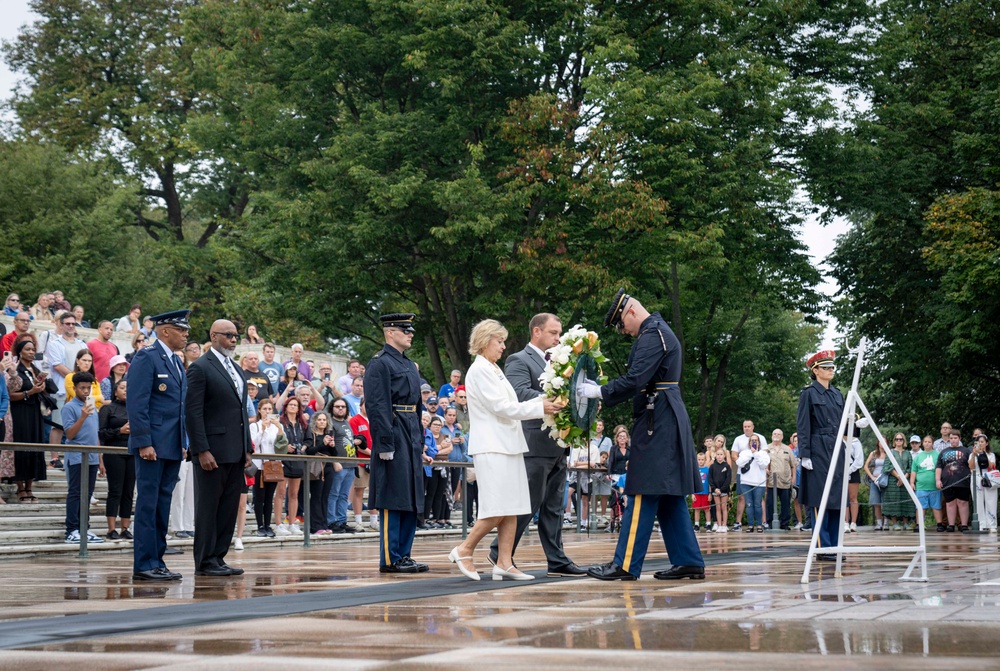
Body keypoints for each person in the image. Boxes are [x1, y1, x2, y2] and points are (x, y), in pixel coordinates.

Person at [581, 290, 706, 581]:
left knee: (642, 489)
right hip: (663, 414)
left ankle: (624, 564)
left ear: (631, 312)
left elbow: (637, 378)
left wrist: (600, 391)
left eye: (622, 325)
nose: (623, 331)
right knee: (668, 494)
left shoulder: (653, 334)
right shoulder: (657, 332)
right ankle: (688, 559)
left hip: (658, 418)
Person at [447, 319, 563, 581]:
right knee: (497, 507)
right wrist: (540, 407)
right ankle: (464, 549)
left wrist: (546, 400)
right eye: (499, 341)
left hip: (508, 444)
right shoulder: (479, 370)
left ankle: (504, 562)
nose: (503, 346)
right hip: (492, 445)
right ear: (486, 340)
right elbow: (502, 407)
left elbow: (512, 402)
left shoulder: (494, 368)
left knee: (513, 505)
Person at [487, 312, 587, 577]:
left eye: (559, 333)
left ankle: (557, 560)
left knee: (554, 505)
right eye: (553, 333)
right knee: (527, 504)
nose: (558, 338)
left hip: (558, 444)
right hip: (533, 442)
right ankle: (500, 552)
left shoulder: (562, 361)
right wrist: (557, 397)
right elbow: (519, 392)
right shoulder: (519, 359)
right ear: (536, 332)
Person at [185, 319, 253, 576]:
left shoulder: (235, 368)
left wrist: (247, 447)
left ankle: (219, 557)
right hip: (212, 451)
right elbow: (193, 413)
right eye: (229, 335)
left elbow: (242, 412)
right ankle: (205, 561)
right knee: (209, 507)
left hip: (235, 450)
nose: (234, 339)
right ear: (214, 337)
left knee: (227, 507)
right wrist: (201, 449)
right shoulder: (200, 368)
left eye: (236, 335)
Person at [127, 309, 190, 581]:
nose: (186, 335)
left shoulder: (176, 362)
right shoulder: (147, 357)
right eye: (181, 330)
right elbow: (137, 403)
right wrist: (143, 442)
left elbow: (179, 409)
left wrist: (184, 442)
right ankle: (144, 563)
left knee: (162, 504)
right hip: (152, 445)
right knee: (148, 504)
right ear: (165, 331)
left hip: (172, 446)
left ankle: (157, 560)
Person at [366, 313, 430, 574]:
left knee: (410, 496)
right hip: (393, 429)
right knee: (393, 496)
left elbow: (417, 404)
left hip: (411, 430)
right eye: (405, 330)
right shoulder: (379, 364)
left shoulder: (408, 364)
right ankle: (390, 558)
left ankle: (404, 554)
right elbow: (377, 405)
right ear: (390, 332)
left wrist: (420, 441)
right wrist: (384, 444)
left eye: (411, 330)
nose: (410, 334)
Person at [796, 350, 846, 558]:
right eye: (826, 367)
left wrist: (855, 425)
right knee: (820, 498)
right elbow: (803, 425)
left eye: (832, 367)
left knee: (836, 498)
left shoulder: (836, 393)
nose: (830, 371)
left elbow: (844, 420)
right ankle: (822, 546)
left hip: (837, 445)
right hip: (818, 447)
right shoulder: (808, 394)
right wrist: (804, 454)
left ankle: (834, 544)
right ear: (815, 370)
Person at [62, 372, 104, 544]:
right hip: (77, 456)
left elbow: (96, 434)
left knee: (87, 494)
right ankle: (71, 529)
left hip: (92, 457)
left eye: (89, 388)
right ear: (75, 388)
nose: (86, 391)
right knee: (75, 493)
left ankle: (84, 528)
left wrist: (101, 459)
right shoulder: (69, 408)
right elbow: (70, 434)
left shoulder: (93, 407)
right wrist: (83, 416)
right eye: (82, 388)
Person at [8, 337, 47, 503]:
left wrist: (42, 387)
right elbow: (10, 395)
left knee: (35, 446)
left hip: (35, 412)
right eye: (28, 350)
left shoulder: (36, 370)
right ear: (20, 352)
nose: (32, 352)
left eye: (33, 350)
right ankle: (20, 488)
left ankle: (30, 486)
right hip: (20, 413)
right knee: (22, 446)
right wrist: (29, 392)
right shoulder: (15, 369)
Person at [44, 311, 87, 448]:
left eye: (73, 324)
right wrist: (77, 380)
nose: (70, 326)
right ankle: (55, 458)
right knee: (58, 424)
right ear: (61, 325)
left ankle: (78, 453)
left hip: (81, 391)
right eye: (67, 323)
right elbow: (58, 366)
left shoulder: (82, 345)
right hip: (62, 390)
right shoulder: (54, 344)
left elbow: (88, 364)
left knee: (80, 423)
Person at [99, 378, 134, 540]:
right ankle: (111, 529)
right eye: (122, 387)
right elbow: (101, 433)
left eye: (129, 387)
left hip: (132, 452)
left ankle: (125, 528)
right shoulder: (108, 408)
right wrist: (119, 431)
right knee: (115, 490)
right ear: (115, 391)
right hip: (114, 452)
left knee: (128, 491)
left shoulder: (136, 408)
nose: (126, 390)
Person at [249, 398, 287, 537]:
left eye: (270, 409)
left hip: (274, 464)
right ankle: (260, 525)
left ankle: (267, 525)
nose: (267, 412)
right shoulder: (255, 426)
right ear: (259, 410)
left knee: (269, 497)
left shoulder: (278, 426)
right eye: (264, 409)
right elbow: (253, 444)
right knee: (259, 497)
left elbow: (282, 446)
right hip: (260, 465)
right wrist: (263, 430)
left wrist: (279, 429)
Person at [305, 410, 340, 534]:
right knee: (316, 496)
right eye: (319, 419)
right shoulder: (312, 434)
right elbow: (309, 451)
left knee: (325, 497)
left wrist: (332, 445)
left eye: (324, 420)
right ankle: (315, 526)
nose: (322, 422)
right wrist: (323, 444)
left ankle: (324, 524)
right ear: (315, 421)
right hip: (317, 468)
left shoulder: (329, 434)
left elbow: (334, 454)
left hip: (328, 468)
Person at [275, 396, 307, 535]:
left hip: (298, 459)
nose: (293, 407)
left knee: (294, 494)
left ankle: (292, 523)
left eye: (296, 405)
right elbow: (274, 438)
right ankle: (278, 524)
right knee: (281, 492)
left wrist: (304, 448)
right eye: (291, 405)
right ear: (286, 407)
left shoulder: (302, 424)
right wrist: (284, 446)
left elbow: (308, 440)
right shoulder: (281, 422)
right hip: (283, 460)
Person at [324, 399, 356, 533]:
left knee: (344, 495)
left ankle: (342, 521)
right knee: (334, 494)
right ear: (332, 408)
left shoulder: (346, 423)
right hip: (339, 465)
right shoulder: (330, 424)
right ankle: (332, 521)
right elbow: (329, 444)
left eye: (343, 406)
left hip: (350, 463)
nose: (341, 409)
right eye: (337, 406)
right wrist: (334, 461)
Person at [730, 420, 767, 531]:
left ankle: (763, 522)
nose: (746, 428)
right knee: (742, 498)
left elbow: (765, 455)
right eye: (745, 426)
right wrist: (744, 464)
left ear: (753, 427)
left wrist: (755, 454)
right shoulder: (738, 439)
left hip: (758, 476)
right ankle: (738, 522)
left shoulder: (761, 437)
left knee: (759, 500)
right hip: (743, 473)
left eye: (748, 426)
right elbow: (734, 455)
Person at [936, 429, 971, 532]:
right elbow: (938, 467)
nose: (953, 440)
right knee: (949, 503)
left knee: (963, 502)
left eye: (955, 438)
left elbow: (972, 465)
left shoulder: (966, 451)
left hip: (963, 482)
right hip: (948, 482)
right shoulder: (943, 452)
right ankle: (951, 525)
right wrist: (938, 480)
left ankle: (963, 525)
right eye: (951, 438)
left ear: (959, 439)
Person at [349, 397, 376, 530]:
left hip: (375, 461)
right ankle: (358, 520)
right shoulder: (354, 420)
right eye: (366, 405)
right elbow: (357, 443)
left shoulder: (375, 420)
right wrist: (373, 453)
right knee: (359, 490)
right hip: (361, 460)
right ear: (360, 406)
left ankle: (374, 521)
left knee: (375, 491)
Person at [736, 434, 770, 532]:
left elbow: (763, 465)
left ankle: (759, 525)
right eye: (752, 440)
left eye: (756, 440)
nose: (754, 442)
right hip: (746, 482)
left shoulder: (763, 454)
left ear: (759, 442)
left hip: (759, 483)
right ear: (749, 442)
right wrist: (751, 453)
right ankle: (750, 525)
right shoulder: (744, 453)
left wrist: (755, 454)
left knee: (758, 504)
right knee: (749, 504)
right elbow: (739, 463)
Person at [765, 429, 797, 530]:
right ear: (771, 435)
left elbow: (793, 465)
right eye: (774, 433)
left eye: (779, 434)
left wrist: (794, 478)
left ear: (782, 437)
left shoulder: (787, 449)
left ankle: (785, 523)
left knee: (785, 504)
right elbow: (762, 462)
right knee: (770, 503)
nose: (776, 435)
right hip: (771, 482)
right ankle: (770, 523)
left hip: (785, 481)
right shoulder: (766, 449)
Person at [910, 434, 943, 531]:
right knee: (920, 506)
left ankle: (939, 524)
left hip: (934, 486)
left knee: (936, 506)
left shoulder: (937, 454)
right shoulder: (918, 457)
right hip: (921, 486)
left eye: (929, 442)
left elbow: (941, 468)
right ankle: (919, 524)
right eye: (925, 442)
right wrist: (912, 483)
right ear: (922, 443)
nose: (927, 443)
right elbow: (914, 471)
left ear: (932, 443)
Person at [883, 432, 916, 530]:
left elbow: (911, 467)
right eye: (897, 439)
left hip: (906, 480)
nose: (898, 441)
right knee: (894, 501)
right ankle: (895, 524)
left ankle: (905, 523)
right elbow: (887, 467)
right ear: (894, 441)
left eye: (900, 439)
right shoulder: (890, 452)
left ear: (903, 441)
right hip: (893, 481)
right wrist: (899, 477)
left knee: (906, 501)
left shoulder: (908, 453)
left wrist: (904, 477)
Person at [968, 434, 997, 533]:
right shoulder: (972, 455)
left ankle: (992, 524)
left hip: (989, 478)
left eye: (982, 442)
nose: (980, 444)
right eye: (978, 442)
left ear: (986, 443)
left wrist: (983, 453)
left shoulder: (991, 454)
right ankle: (981, 523)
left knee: (991, 500)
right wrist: (973, 455)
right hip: (976, 478)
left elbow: (992, 466)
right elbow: (971, 467)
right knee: (978, 502)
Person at [864, 440, 889, 531]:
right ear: (878, 443)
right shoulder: (874, 453)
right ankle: (879, 523)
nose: (882, 444)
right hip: (875, 480)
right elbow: (866, 466)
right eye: (881, 442)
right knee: (876, 502)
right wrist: (872, 477)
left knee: (885, 502)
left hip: (885, 480)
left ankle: (886, 523)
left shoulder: (889, 453)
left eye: (884, 442)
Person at [709, 448, 731, 532]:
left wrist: (721, 489)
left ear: (724, 455)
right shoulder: (712, 466)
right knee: (718, 508)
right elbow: (710, 479)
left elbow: (728, 480)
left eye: (721, 454)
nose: (719, 456)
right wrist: (715, 489)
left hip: (724, 491)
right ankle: (719, 525)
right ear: (715, 455)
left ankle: (724, 525)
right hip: (715, 490)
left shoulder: (727, 466)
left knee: (723, 507)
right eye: (718, 454)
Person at [692, 452, 711, 531]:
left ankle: (708, 524)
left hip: (706, 492)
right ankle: (696, 525)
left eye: (702, 459)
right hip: (697, 493)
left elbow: (710, 482)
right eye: (699, 459)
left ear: (705, 460)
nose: (700, 461)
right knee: (697, 509)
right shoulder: (694, 470)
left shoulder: (708, 469)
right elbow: (692, 482)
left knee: (707, 509)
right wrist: (692, 493)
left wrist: (710, 493)